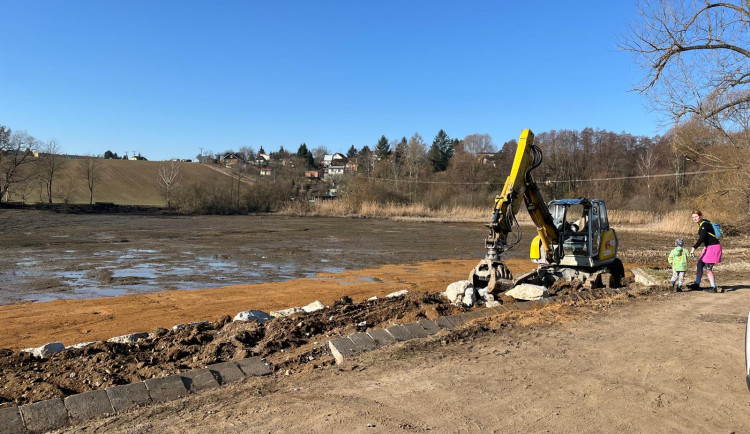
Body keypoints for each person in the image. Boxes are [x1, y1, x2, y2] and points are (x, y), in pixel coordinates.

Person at [687, 210, 723, 293]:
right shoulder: (701, 224)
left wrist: (693, 248)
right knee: (700, 264)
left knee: (708, 268)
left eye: (696, 216)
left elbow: (702, 238)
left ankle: (713, 287)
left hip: (714, 247)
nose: (694, 218)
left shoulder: (705, 225)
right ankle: (697, 284)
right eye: (693, 217)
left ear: (700, 216)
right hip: (708, 247)